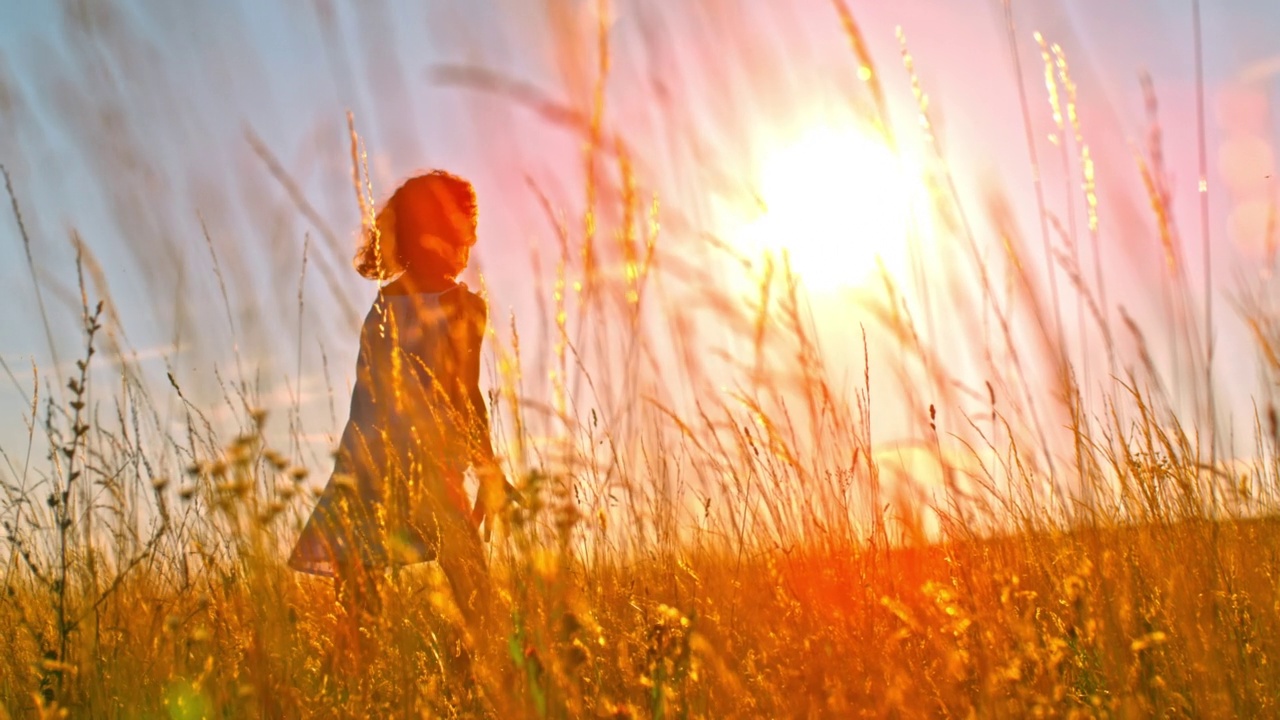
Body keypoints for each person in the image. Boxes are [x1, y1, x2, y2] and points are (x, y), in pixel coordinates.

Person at [289, 170, 511, 661]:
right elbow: (466, 394)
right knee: (477, 604)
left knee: (359, 623)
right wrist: (487, 469)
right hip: (430, 475)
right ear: (456, 232)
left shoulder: (382, 305)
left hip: (365, 469)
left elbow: (369, 400)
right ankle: (481, 693)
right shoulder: (463, 305)